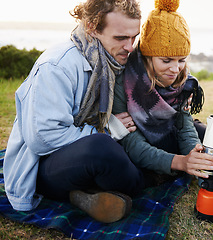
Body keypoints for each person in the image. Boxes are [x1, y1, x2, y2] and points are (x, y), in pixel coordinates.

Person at [4, 0, 144, 223]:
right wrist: (107, 131)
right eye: (120, 38)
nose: (130, 46)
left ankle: (84, 196)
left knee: (145, 131)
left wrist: (182, 89)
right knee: (102, 148)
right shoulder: (57, 66)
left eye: (134, 36)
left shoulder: (112, 59)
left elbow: (151, 75)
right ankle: (141, 181)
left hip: (78, 160)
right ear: (92, 27)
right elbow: (43, 138)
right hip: (42, 168)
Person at [112, 0, 213, 185]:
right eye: (166, 60)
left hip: (168, 134)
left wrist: (197, 156)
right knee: (130, 174)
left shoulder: (183, 81)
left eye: (181, 60)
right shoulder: (124, 81)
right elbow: (132, 144)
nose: (175, 68)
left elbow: (184, 126)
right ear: (147, 57)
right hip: (136, 144)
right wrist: (181, 162)